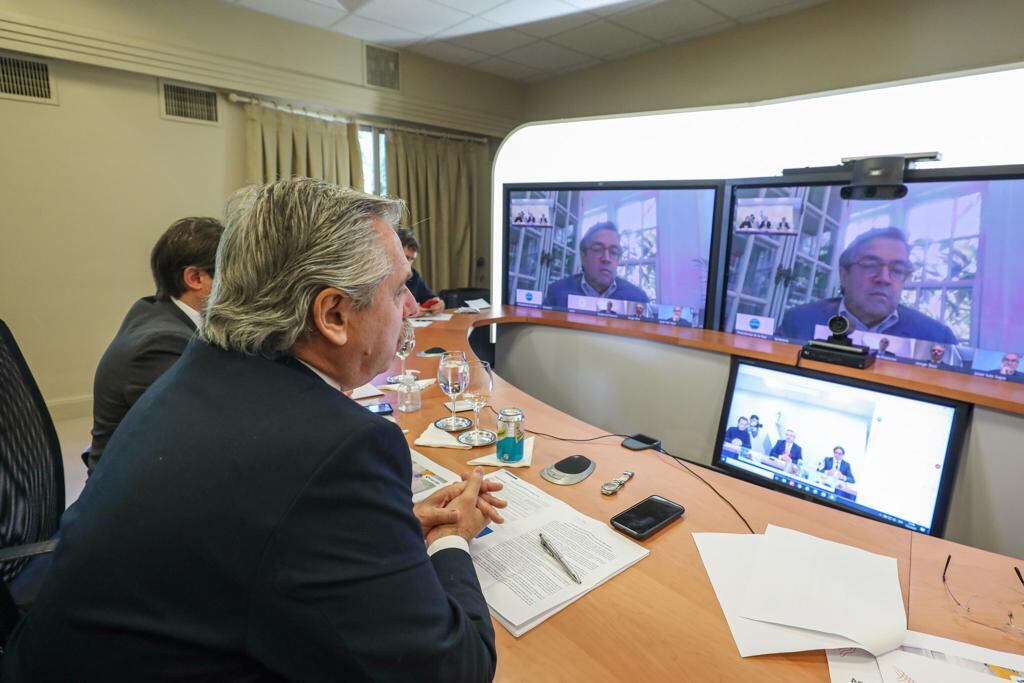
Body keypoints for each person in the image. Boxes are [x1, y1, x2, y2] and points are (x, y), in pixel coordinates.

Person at [1, 180, 503, 681]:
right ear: (332, 314)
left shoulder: (197, 369)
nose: (413, 308)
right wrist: (450, 540)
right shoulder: (337, 448)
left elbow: (256, 529)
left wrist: (387, 533)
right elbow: (452, 671)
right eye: (398, 291)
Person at [85, 216, 223, 473]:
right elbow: (199, 436)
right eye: (234, 273)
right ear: (195, 278)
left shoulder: (157, 311)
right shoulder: (159, 344)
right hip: (131, 494)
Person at [776, 227, 958, 345]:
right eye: (870, 265)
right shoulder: (799, 322)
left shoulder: (937, 338)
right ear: (844, 275)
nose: (884, 278)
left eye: (897, 269)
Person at [543, 222, 649, 308]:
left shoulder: (638, 299)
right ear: (583, 256)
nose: (606, 259)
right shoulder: (557, 294)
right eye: (597, 249)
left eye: (613, 251)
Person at [397, 227, 444, 315]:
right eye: (406, 257)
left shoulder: (413, 275)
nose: (408, 264)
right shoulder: (381, 277)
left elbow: (429, 298)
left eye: (412, 259)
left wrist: (437, 303)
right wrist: (408, 311)